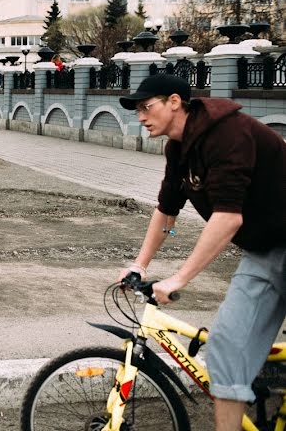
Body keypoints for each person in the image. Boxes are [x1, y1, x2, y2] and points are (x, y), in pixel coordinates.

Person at [116, 73, 286, 431]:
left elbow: (227, 219)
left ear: (174, 102)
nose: (141, 116)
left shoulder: (229, 134)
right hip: (264, 251)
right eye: (137, 110)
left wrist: (180, 278)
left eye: (147, 107)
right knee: (226, 345)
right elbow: (166, 211)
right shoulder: (178, 148)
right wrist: (140, 264)